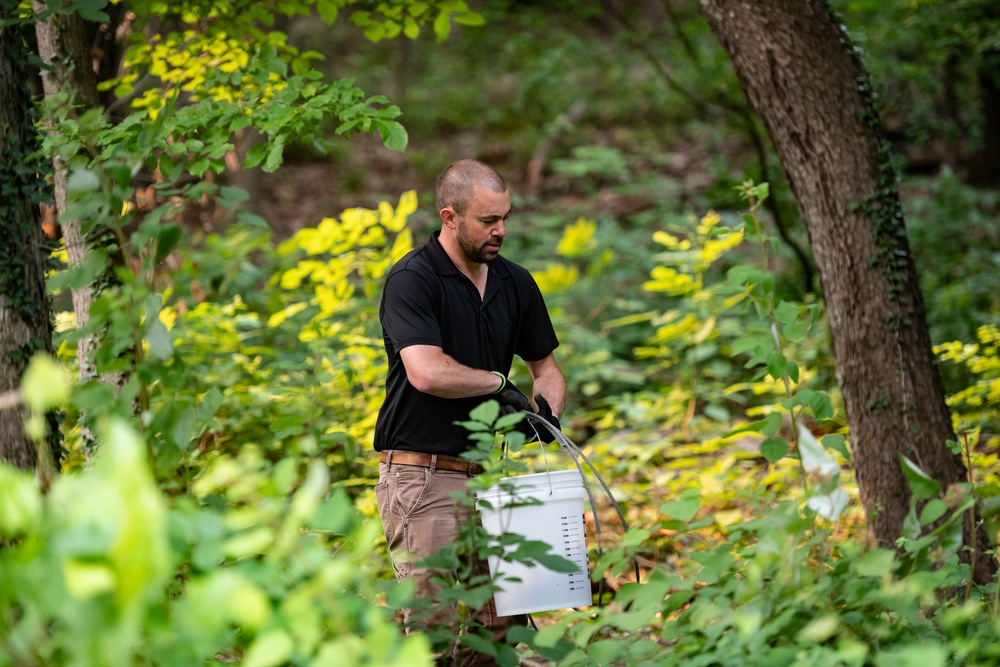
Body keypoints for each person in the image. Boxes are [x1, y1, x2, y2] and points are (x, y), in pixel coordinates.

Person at [373, 159, 567, 666]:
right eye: (488, 221)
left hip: (491, 477)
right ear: (449, 215)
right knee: (429, 627)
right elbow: (427, 372)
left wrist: (545, 411)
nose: (501, 230)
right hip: (422, 476)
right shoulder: (412, 280)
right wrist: (498, 385)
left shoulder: (516, 283)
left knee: (504, 624)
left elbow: (547, 369)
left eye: (505, 218)